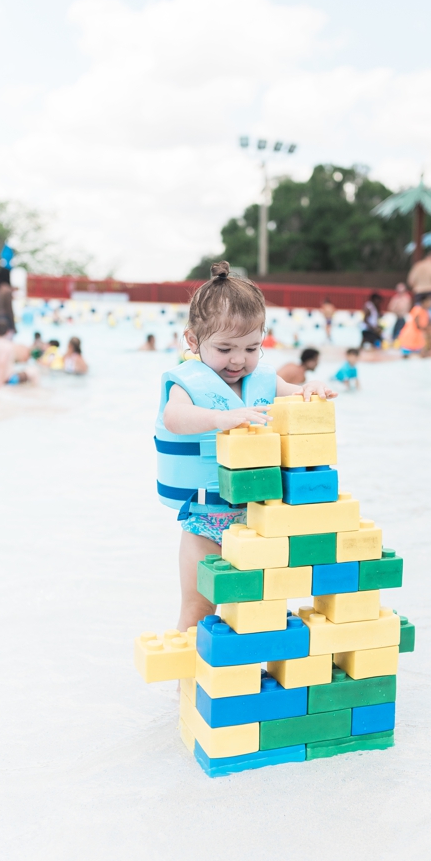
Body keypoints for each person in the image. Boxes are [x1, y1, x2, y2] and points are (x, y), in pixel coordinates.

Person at [156, 262, 336, 631]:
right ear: (193, 341)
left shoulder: (264, 380)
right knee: (197, 610)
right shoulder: (186, 385)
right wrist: (218, 418)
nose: (239, 360)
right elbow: (174, 417)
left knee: (262, 615)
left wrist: (310, 388)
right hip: (204, 526)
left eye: (251, 348)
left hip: (258, 523)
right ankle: (184, 687)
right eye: (225, 348)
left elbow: (295, 395)